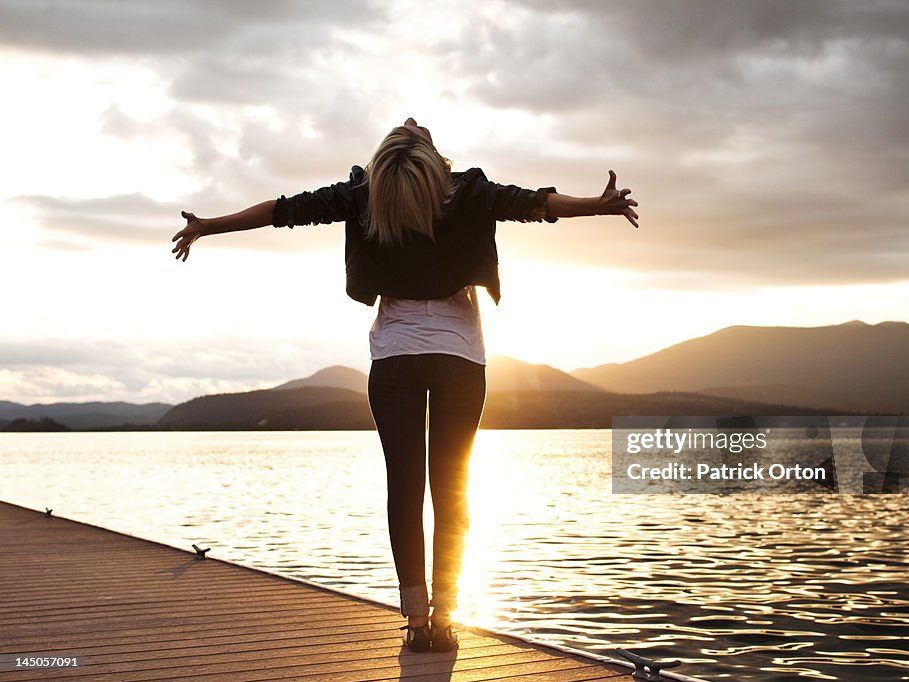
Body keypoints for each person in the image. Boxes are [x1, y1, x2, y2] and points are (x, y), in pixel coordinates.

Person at [171, 117, 639, 652]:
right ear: (428, 153)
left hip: (393, 361)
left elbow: (280, 212)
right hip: (460, 359)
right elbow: (534, 203)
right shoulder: (466, 191)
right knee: (452, 487)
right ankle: (446, 617)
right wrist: (595, 206)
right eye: (414, 125)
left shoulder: (364, 195)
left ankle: (417, 621)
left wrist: (209, 225)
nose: (415, 119)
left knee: (405, 489)